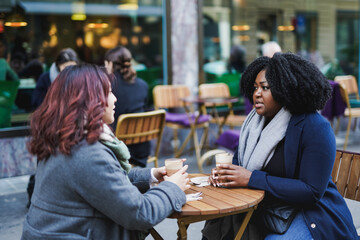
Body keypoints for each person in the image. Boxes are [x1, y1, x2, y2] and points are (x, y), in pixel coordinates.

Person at [21, 64, 190, 240]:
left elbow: (105, 180)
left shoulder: (62, 138)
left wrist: (152, 174)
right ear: (90, 100)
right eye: (108, 92)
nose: (115, 99)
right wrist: (172, 187)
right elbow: (141, 213)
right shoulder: (87, 152)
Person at [203, 52, 358, 240]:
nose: (257, 93)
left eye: (265, 88)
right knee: (218, 226)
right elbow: (239, 169)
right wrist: (226, 177)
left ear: (286, 90)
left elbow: (311, 192)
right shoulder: (253, 125)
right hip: (263, 209)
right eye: (255, 88)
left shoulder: (314, 127)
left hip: (310, 214)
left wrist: (252, 179)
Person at [104, 46, 150, 167]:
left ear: (110, 64)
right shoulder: (143, 85)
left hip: (118, 150)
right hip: (143, 150)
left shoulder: (108, 88)